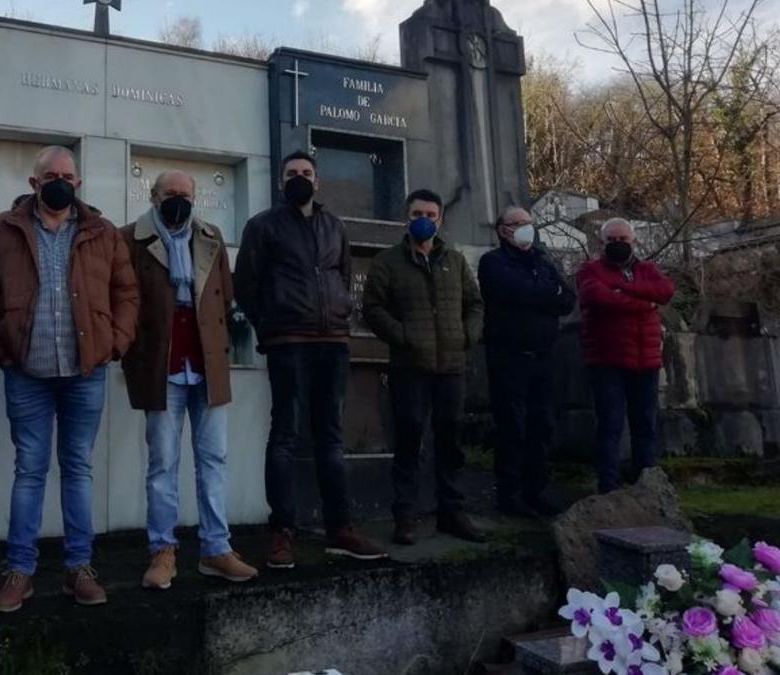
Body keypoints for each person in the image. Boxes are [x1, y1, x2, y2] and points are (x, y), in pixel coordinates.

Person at [0, 146, 139, 612]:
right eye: (51, 175)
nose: (60, 181)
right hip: (27, 374)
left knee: (78, 469)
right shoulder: (4, 229)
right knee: (30, 471)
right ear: (34, 182)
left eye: (68, 175)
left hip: (86, 373)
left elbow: (127, 292)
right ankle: (19, 571)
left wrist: (114, 342)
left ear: (78, 183)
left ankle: (78, 568)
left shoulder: (102, 232)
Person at [235, 150, 387, 570]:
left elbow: (340, 274)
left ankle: (341, 528)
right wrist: (269, 326)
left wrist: (339, 318)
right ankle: (282, 531)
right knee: (284, 435)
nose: (299, 178)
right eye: (292, 173)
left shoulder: (334, 226)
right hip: (288, 342)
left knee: (331, 438)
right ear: (282, 181)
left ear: (317, 182)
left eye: (306, 173)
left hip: (332, 342)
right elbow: (245, 284)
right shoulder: (262, 226)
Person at [121, 170, 259, 590]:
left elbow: (225, 296)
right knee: (162, 464)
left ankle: (216, 548)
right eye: (170, 194)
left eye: (185, 194)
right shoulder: (130, 238)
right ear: (153, 195)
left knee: (214, 460)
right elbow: (124, 300)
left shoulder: (211, 234)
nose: (178, 200)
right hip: (160, 363)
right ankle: (162, 551)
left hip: (207, 363)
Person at [361, 189, 485, 546]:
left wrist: (467, 335)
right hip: (410, 367)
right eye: (418, 213)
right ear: (406, 215)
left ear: (440, 219)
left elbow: (474, 304)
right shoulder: (387, 262)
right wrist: (403, 336)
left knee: (450, 441)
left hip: (451, 366)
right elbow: (373, 308)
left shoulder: (456, 262)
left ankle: (451, 511)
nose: (424, 220)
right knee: (409, 439)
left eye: (431, 214)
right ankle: (406, 515)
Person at [477, 206, 575, 517]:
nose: (524, 228)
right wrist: (545, 294)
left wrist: (542, 294)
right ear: (503, 230)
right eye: (517, 224)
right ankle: (510, 495)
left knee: (541, 427)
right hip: (509, 358)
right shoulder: (493, 262)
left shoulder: (543, 262)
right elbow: (514, 291)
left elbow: (566, 299)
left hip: (543, 357)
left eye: (528, 223)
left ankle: (536, 491)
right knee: (512, 428)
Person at [576, 218, 674, 493]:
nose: (617, 245)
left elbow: (665, 292)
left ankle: (646, 485)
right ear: (602, 242)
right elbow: (596, 297)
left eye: (623, 240)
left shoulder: (646, 269)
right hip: (608, 361)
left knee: (646, 425)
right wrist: (645, 302)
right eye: (611, 240)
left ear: (633, 241)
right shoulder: (590, 270)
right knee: (610, 425)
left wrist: (624, 289)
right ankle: (609, 487)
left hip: (646, 361)